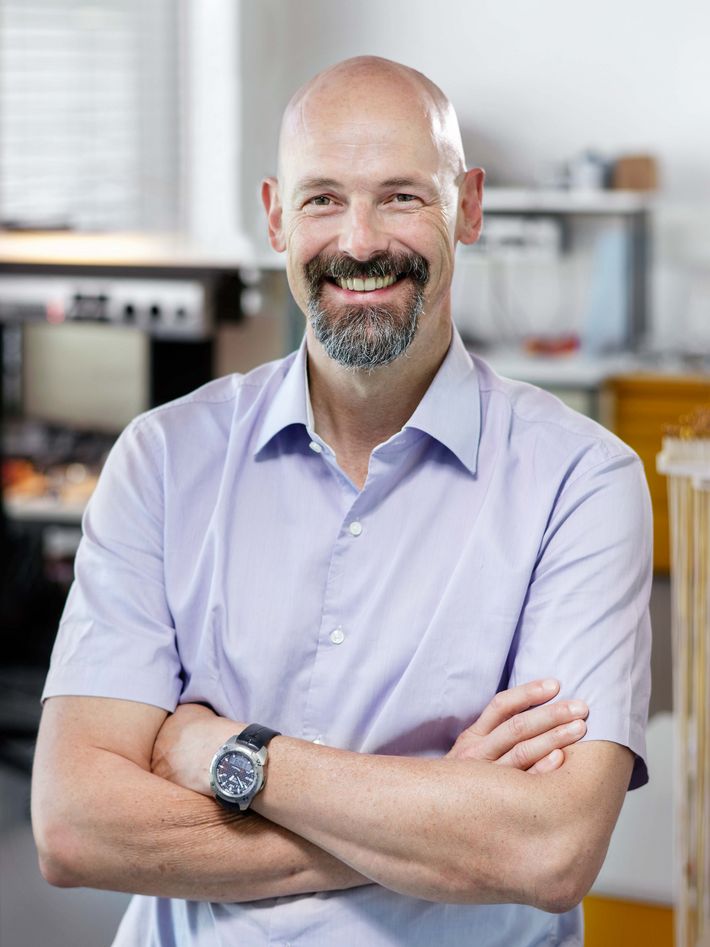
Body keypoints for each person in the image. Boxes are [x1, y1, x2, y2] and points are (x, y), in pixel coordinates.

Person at [32, 56, 652, 947]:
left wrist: (225, 753)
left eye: (402, 195)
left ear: (467, 206)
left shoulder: (581, 482)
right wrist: (440, 815)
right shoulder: (163, 460)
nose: (360, 242)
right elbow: (73, 824)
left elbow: (549, 847)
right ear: (278, 215)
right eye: (323, 198)